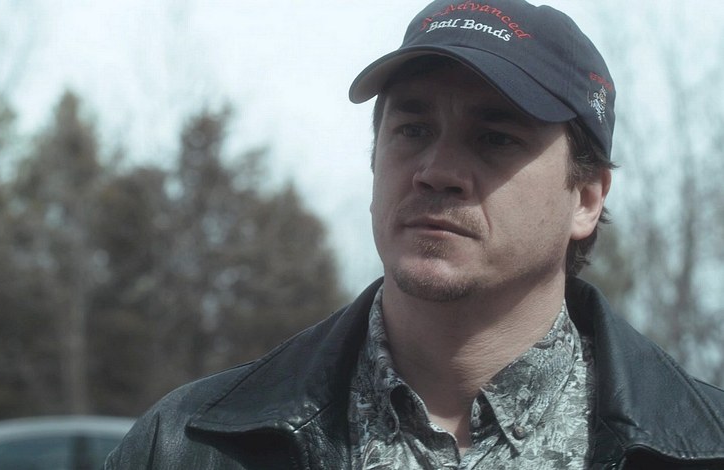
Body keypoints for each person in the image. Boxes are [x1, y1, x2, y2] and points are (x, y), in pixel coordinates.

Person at [105, 1, 724, 468]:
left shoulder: (701, 445)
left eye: (495, 138)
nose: (436, 171)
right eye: (412, 130)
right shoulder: (190, 444)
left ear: (585, 198)